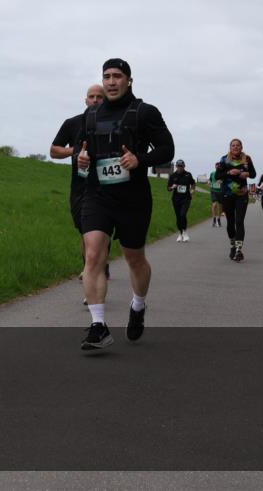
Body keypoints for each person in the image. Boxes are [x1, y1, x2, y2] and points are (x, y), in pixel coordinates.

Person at [76, 59, 174, 350]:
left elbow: (167, 148)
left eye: (117, 76)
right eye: (106, 76)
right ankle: (98, 326)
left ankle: (138, 305)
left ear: (129, 80)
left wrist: (140, 160)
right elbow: (84, 152)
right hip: (97, 195)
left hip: (133, 198)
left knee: (135, 259)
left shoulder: (145, 112)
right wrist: (82, 160)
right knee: (93, 255)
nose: (111, 82)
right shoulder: (91, 115)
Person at [50, 84, 110, 306]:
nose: (95, 100)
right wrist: (75, 152)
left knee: (94, 239)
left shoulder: (113, 123)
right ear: (85, 100)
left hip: (105, 188)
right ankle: (97, 264)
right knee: (85, 233)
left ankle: (93, 280)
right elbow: (54, 150)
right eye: (91, 97)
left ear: (106, 100)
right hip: (79, 189)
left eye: (99, 97)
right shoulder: (72, 123)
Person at [215, 139, 257, 262]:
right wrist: (229, 172)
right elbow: (218, 175)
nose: (235, 147)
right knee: (230, 222)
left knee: (239, 221)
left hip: (241, 194)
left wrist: (246, 174)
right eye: (233, 145)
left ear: (241, 147)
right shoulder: (224, 159)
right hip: (227, 194)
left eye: (238, 145)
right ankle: (232, 244)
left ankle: (239, 250)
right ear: (230, 147)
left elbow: (253, 174)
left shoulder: (247, 159)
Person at [167, 159, 196, 242]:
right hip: (176, 199)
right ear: (176, 166)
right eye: (178, 166)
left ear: (184, 166)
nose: (180, 168)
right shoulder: (173, 175)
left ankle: (185, 232)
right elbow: (168, 188)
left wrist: (192, 190)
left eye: (181, 166)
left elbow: (193, 183)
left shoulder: (188, 174)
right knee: (178, 216)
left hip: (186, 198)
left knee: (183, 214)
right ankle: (180, 233)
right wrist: (172, 187)